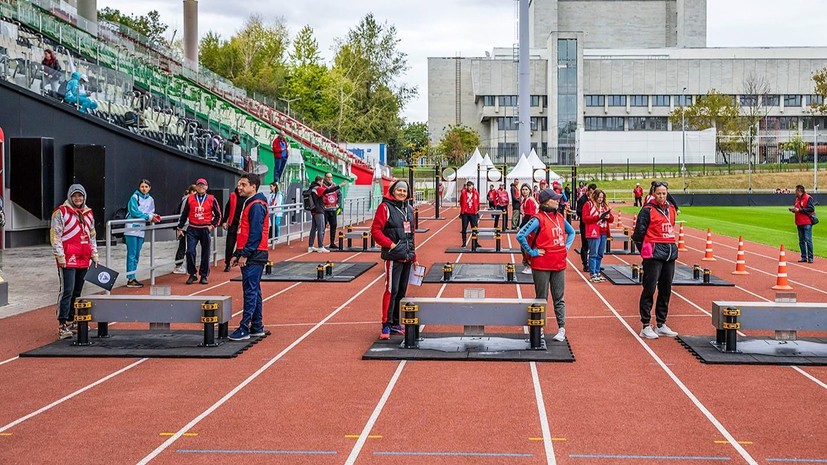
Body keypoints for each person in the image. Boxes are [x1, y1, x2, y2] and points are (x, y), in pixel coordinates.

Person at [516, 189, 576, 342]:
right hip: (542, 265)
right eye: (554, 199)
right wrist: (532, 252)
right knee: (541, 298)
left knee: (559, 297)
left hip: (559, 263)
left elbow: (572, 232)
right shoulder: (538, 219)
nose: (557, 201)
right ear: (545, 202)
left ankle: (561, 328)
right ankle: (539, 329)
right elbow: (520, 235)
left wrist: (566, 246)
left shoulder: (560, 217)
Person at [632, 181, 679, 340]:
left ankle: (661, 324)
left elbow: (670, 226)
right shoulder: (647, 210)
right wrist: (645, 251)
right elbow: (638, 234)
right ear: (653, 194)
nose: (662, 196)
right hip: (653, 254)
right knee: (649, 289)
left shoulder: (671, 209)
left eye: (664, 193)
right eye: (659, 193)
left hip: (669, 253)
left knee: (666, 289)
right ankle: (646, 325)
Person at [371, 180, 418, 340]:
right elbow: (375, 231)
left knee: (402, 292)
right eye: (399, 190)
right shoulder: (385, 207)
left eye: (405, 191)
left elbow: (411, 234)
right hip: (393, 256)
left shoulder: (409, 209)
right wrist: (390, 245)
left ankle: (396, 323)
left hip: (407, 256)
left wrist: (414, 255)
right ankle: (386, 324)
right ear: (392, 190)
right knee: (392, 290)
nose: (402, 193)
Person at [50, 184, 98, 340]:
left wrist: (94, 254)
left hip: (83, 258)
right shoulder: (60, 212)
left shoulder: (88, 213)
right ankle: (62, 323)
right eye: (75, 196)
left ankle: (72, 320)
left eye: (80, 196)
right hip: (68, 258)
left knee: (78, 291)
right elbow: (55, 235)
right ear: (70, 197)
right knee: (67, 290)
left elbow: (92, 235)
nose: (78, 199)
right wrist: (60, 256)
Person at [227, 174, 271, 341]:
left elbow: (255, 233)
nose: (240, 187)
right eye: (239, 184)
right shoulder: (251, 202)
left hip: (255, 253)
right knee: (255, 290)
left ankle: (244, 328)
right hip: (253, 251)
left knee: (250, 291)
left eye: (243, 184)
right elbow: (244, 231)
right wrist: (237, 253)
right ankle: (257, 326)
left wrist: (245, 254)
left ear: (253, 186)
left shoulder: (257, 205)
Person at [176, 178, 221, 284]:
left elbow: (218, 215)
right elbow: (184, 214)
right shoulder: (190, 198)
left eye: (203, 185)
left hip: (205, 228)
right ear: (196, 187)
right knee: (190, 251)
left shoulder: (211, 199)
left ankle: (204, 275)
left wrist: (213, 225)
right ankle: (192, 274)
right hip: (192, 228)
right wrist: (180, 227)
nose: (201, 187)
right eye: (199, 185)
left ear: (206, 187)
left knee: (206, 253)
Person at [124, 179, 160, 288]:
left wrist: (152, 216)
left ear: (149, 188)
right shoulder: (134, 197)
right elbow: (134, 212)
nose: (144, 188)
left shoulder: (150, 199)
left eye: (146, 186)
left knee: (137, 254)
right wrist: (148, 217)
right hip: (131, 228)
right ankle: (130, 278)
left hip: (141, 228)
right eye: (142, 186)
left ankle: (133, 276)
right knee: (132, 253)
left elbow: (151, 211)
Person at [582, 189, 613, 283]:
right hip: (594, 232)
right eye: (599, 197)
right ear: (595, 196)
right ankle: (593, 273)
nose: (600, 199)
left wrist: (608, 217)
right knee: (593, 253)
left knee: (600, 254)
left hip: (603, 231)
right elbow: (585, 218)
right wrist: (598, 217)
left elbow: (611, 219)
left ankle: (597, 271)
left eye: (602, 197)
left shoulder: (604, 206)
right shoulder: (588, 204)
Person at [308, 175, 345, 253]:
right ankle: (321, 246)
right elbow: (328, 191)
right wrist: (339, 186)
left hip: (313, 210)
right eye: (321, 182)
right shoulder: (318, 188)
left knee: (313, 229)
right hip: (319, 211)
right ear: (319, 181)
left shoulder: (311, 188)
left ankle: (310, 246)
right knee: (321, 228)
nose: (322, 183)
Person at [221, 185, 248, 272]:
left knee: (242, 244)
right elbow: (227, 208)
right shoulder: (233, 196)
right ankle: (228, 263)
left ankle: (238, 258)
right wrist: (224, 221)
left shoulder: (248, 197)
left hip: (243, 224)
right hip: (233, 223)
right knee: (229, 244)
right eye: (239, 186)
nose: (240, 189)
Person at [173, 185, 196, 274]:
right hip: (185, 226)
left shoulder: (188, 199)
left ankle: (180, 264)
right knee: (183, 245)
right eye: (194, 191)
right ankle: (178, 265)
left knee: (184, 245)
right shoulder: (187, 200)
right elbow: (183, 213)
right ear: (191, 192)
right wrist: (181, 227)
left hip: (187, 225)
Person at [791, 184, 816, 263]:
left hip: (806, 222)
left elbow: (811, 208)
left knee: (808, 240)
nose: (795, 192)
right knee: (801, 240)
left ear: (799, 191)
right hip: (799, 222)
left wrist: (799, 210)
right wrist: (794, 210)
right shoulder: (797, 199)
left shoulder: (808, 198)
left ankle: (810, 257)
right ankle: (804, 257)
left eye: (796, 190)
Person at [518, 183, 539, 274]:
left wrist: (521, 227)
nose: (524, 191)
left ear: (530, 190)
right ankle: (527, 263)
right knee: (524, 245)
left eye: (526, 189)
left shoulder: (530, 200)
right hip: (528, 224)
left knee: (526, 245)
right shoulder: (525, 200)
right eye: (523, 189)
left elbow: (529, 215)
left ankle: (529, 265)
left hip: (530, 226)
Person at [576, 183, 597, 272]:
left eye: (594, 193)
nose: (592, 194)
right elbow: (578, 212)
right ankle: (585, 264)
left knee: (594, 245)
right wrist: (587, 214)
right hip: (584, 225)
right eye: (591, 192)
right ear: (587, 191)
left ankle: (594, 264)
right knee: (585, 244)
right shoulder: (582, 200)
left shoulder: (596, 200)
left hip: (594, 226)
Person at [322, 172, 341, 249]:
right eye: (328, 177)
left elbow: (340, 194)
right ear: (325, 177)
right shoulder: (322, 186)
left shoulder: (334, 185)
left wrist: (338, 204)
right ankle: (321, 244)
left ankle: (332, 243)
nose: (330, 179)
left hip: (333, 209)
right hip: (325, 210)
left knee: (334, 226)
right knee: (323, 227)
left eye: (331, 177)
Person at [459, 181, 480, 248]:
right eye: (469, 187)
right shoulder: (463, 193)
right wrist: (463, 210)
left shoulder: (476, 193)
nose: (471, 189)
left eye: (472, 188)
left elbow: (478, 201)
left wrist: (476, 210)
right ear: (467, 187)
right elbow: (461, 201)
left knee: (475, 227)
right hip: (465, 213)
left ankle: (475, 242)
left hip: (473, 213)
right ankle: (464, 242)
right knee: (464, 227)